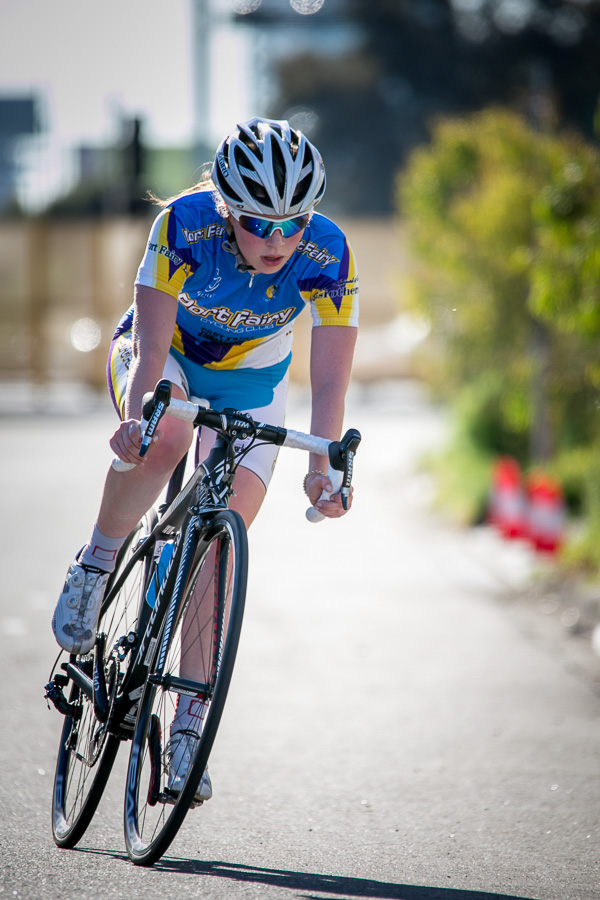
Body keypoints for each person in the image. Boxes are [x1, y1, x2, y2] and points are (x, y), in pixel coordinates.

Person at [51, 116, 359, 803]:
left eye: (293, 223)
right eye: (258, 224)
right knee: (168, 437)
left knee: (222, 539)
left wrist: (323, 466)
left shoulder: (330, 252)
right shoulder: (184, 227)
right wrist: (136, 418)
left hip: (254, 384)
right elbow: (152, 352)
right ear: (226, 208)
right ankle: (96, 563)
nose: (278, 240)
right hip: (165, 363)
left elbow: (331, 380)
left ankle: (190, 723)